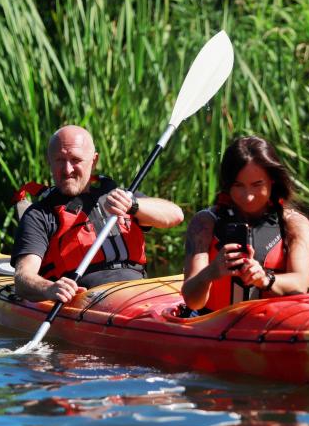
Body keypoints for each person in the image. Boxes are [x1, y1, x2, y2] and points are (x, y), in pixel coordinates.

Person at [12, 125, 184, 303]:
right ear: (50, 162)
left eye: (75, 160)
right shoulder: (40, 214)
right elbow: (23, 279)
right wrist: (49, 288)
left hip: (140, 293)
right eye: (59, 160)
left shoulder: (121, 196)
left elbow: (175, 215)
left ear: (93, 161)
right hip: (87, 300)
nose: (67, 169)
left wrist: (133, 205)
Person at [181, 135, 309, 313]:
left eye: (257, 184)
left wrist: (265, 279)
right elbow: (192, 301)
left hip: (269, 326)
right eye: (239, 185)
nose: (248, 196)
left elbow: (301, 283)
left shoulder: (294, 224)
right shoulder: (204, 223)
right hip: (211, 324)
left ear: (272, 181)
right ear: (228, 185)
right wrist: (210, 272)